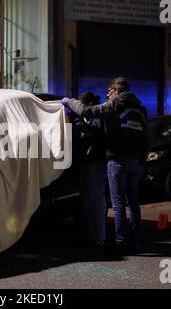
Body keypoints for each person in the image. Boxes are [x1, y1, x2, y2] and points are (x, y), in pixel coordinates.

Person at [63, 77, 148, 254]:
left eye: (109, 92)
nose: (107, 95)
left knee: (118, 204)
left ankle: (120, 243)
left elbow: (87, 111)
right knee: (133, 204)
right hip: (135, 162)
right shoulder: (140, 109)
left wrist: (69, 101)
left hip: (117, 160)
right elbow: (145, 138)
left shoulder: (115, 105)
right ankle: (135, 242)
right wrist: (142, 161)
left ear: (116, 91)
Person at [75, 92, 108, 249]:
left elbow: (94, 134)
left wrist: (79, 122)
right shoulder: (93, 117)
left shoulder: (98, 116)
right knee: (88, 200)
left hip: (96, 161)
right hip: (89, 162)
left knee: (95, 200)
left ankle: (99, 237)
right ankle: (91, 235)